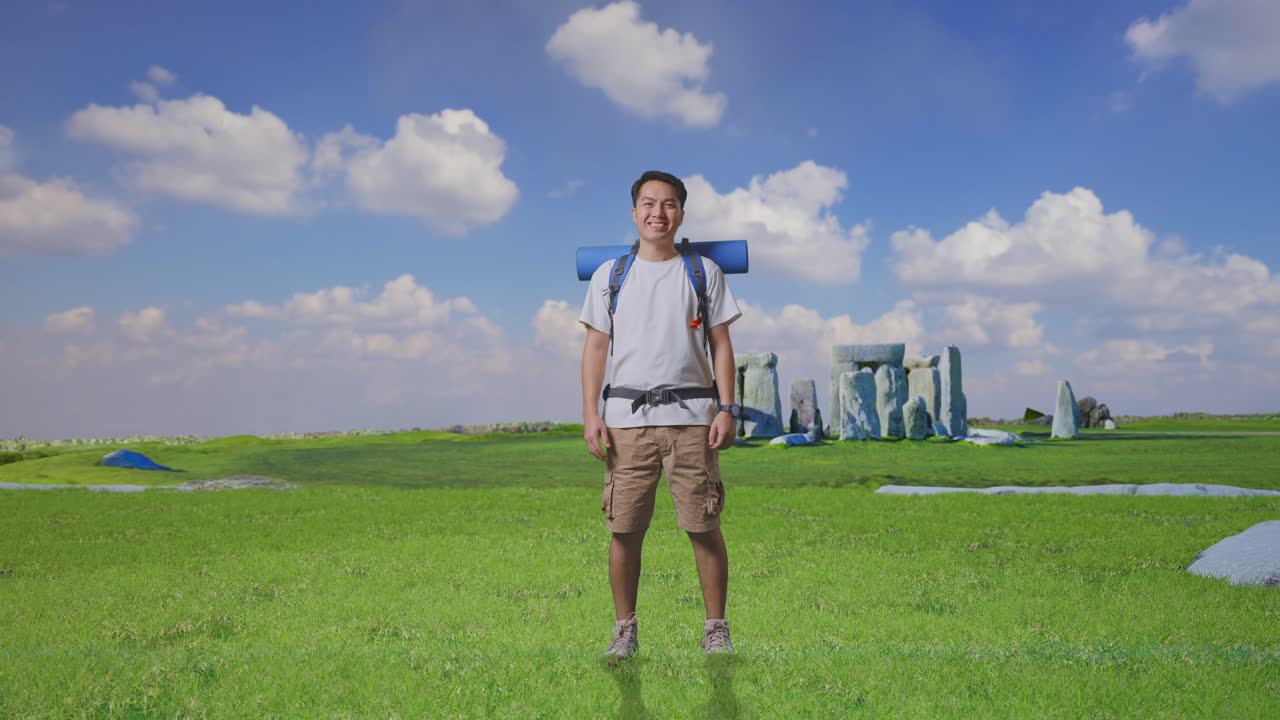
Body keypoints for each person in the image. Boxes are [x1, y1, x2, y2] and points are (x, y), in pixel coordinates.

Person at [579, 170, 742, 663]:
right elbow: (594, 348)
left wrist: (727, 408)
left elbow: (722, 346)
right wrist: (591, 414)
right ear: (634, 213)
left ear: (681, 214)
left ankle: (716, 630)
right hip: (626, 421)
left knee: (703, 525)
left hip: (693, 419)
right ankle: (624, 630)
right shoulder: (611, 274)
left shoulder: (703, 272)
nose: (658, 212)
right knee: (624, 529)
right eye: (648, 203)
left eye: (668, 204)